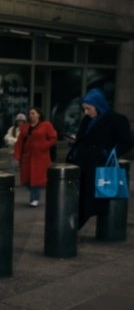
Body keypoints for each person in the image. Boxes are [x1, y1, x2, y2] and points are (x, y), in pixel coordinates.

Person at [66, 88, 133, 228]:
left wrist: (109, 152)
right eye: (84, 109)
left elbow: (128, 141)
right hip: (81, 163)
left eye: (89, 109)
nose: (86, 112)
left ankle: (75, 228)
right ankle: (73, 229)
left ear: (98, 105)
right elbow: (83, 138)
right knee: (79, 197)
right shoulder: (87, 119)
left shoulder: (116, 119)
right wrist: (75, 141)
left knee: (90, 198)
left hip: (99, 165)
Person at [14, 107, 58, 208]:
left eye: (33, 113)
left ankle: (34, 198)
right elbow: (20, 141)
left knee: (36, 179)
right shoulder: (25, 127)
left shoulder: (46, 125)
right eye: (30, 113)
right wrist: (17, 155)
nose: (31, 115)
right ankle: (35, 193)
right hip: (27, 156)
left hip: (40, 156)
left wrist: (44, 146)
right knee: (26, 179)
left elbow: (53, 138)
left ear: (39, 114)